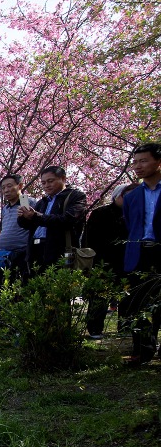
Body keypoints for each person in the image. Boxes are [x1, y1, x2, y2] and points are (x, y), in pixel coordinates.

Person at [120, 143, 161, 364]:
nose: (137, 166)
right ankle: (142, 351)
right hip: (140, 252)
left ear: (158, 161)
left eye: (143, 161)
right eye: (135, 162)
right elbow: (130, 225)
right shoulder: (132, 197)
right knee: (139, 303)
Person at [85, 183, 134, 339]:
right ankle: (94, 329)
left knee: (127, 296)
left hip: (128, 261)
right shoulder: (100, 213)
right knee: (100, 295)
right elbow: (89, 239)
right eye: (126, 196)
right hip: (103, 261)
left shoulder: (136, 214)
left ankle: (125, 327)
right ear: (117, 196)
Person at [18, 166, 87, 272]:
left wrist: (36, 216)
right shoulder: (42, 202)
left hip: (60, 251)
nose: (46, 186)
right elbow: (29, 226)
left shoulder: (76, 196)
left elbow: (68, 220)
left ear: (63, 179)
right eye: (43, 183)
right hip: (36, 250)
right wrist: (24, 217)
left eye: (50, 181)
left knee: (58, 284)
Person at [0, 175, 34, 278]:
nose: (6, 190)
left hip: (22, 253)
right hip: (5, 254)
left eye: (9, 186)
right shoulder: (5, 208)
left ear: (20, 186)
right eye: (3, 188)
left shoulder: (26, 202)